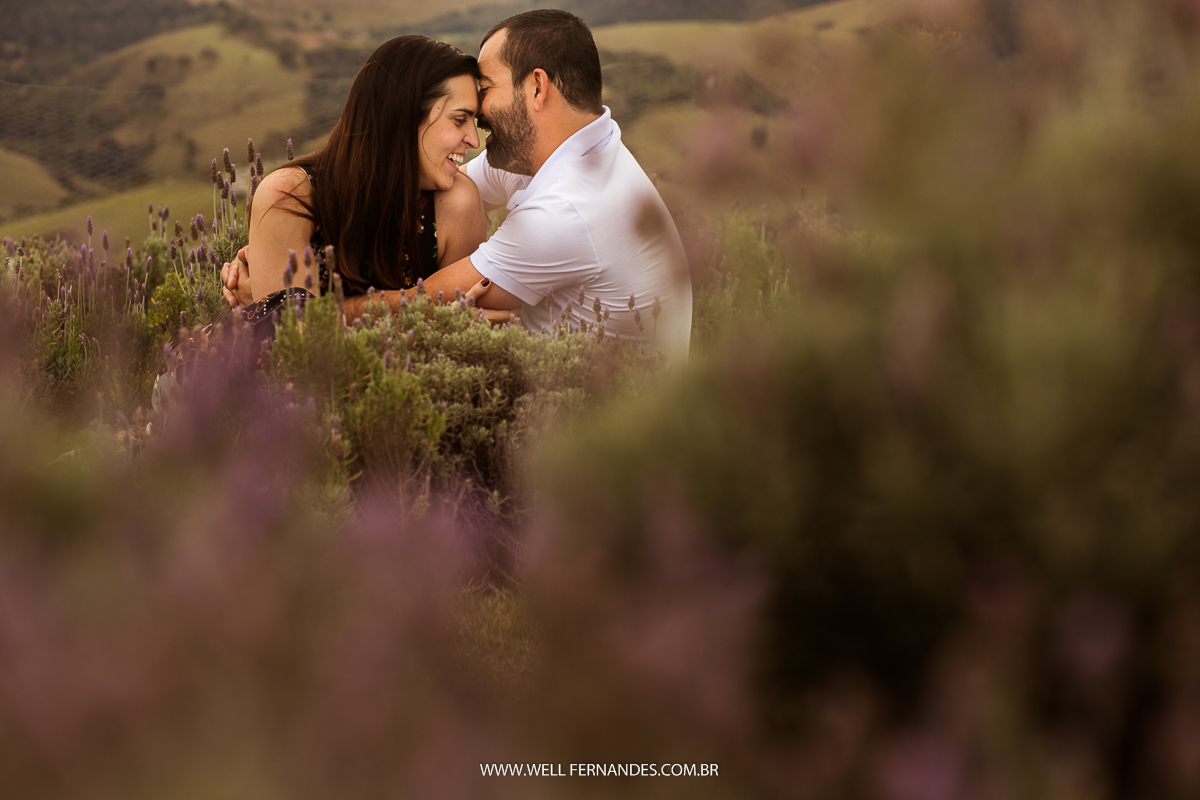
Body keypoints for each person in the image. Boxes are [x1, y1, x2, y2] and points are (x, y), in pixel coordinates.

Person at [225, 10, 692, 361]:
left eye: (485, 90)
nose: (478, 124)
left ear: (536, 88)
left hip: (589, 442)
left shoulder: (568, 210)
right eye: (461, 116)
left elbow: (424, 307)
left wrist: (276, 314)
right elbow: (435, 180)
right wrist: (274, 244)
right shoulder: (576, 155)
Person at [229, 34, 487, 314]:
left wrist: (283, 308)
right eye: (460, 120)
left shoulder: (457, 203)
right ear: (403, 116)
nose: (474, 140)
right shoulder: (290, 196)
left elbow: (460, 336)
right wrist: (424, 305)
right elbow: (297, 343)